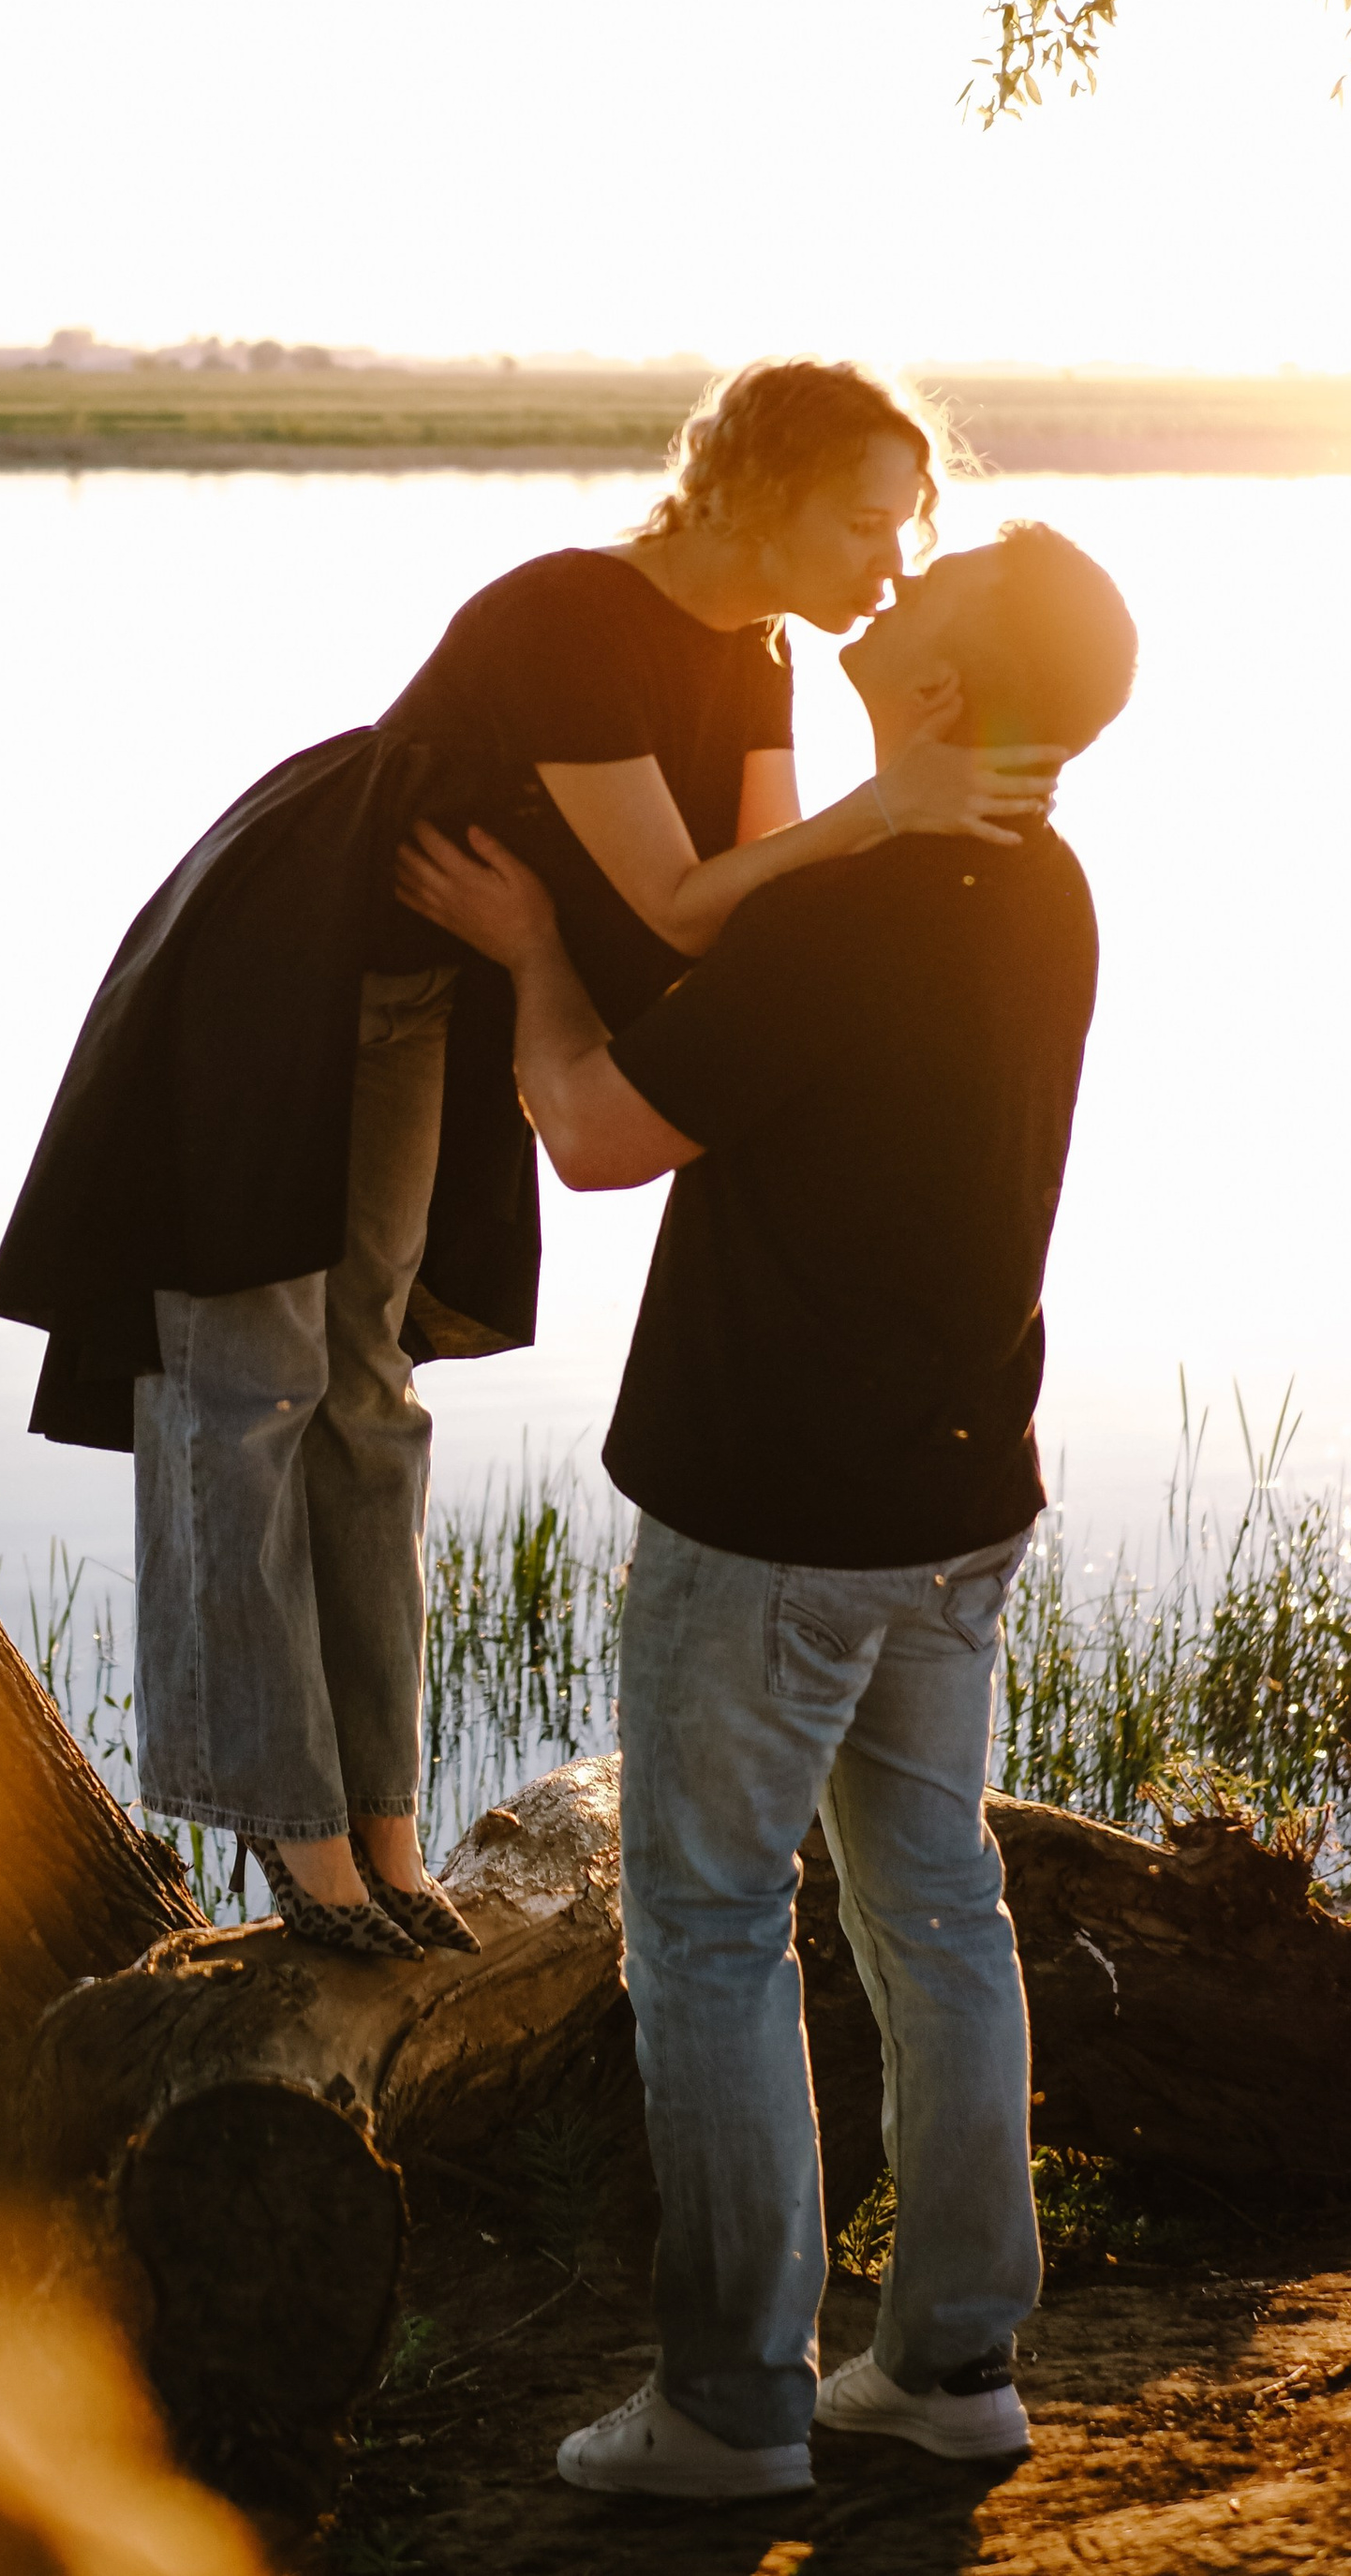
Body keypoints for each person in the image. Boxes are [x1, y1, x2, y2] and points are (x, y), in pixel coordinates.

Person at [0, 365, 1062, 1964]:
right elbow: (687, 900)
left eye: (910, 530)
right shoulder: (570, 616)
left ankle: (390, 1837)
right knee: (252, 1386)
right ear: (758, 491)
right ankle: (299, 1845)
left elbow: (741, 923)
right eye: (867, 520)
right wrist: (884, 809)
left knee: (370, 1386)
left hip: (421, 994)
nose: (893, 562)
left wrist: (884, 808)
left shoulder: (758, 656)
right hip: (280, 971)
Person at [396, 521, 1137, 2495]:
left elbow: (592, 1133)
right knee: (933, 1912)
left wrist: (538, 950)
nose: (881, 593)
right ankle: (954, 2367)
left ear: (925, 699)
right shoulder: (1042, 887)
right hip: (958, 1492)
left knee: (710, 1932)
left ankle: (731, 2409)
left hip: (776, 1516)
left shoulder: (846, 921)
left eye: (925, 590)